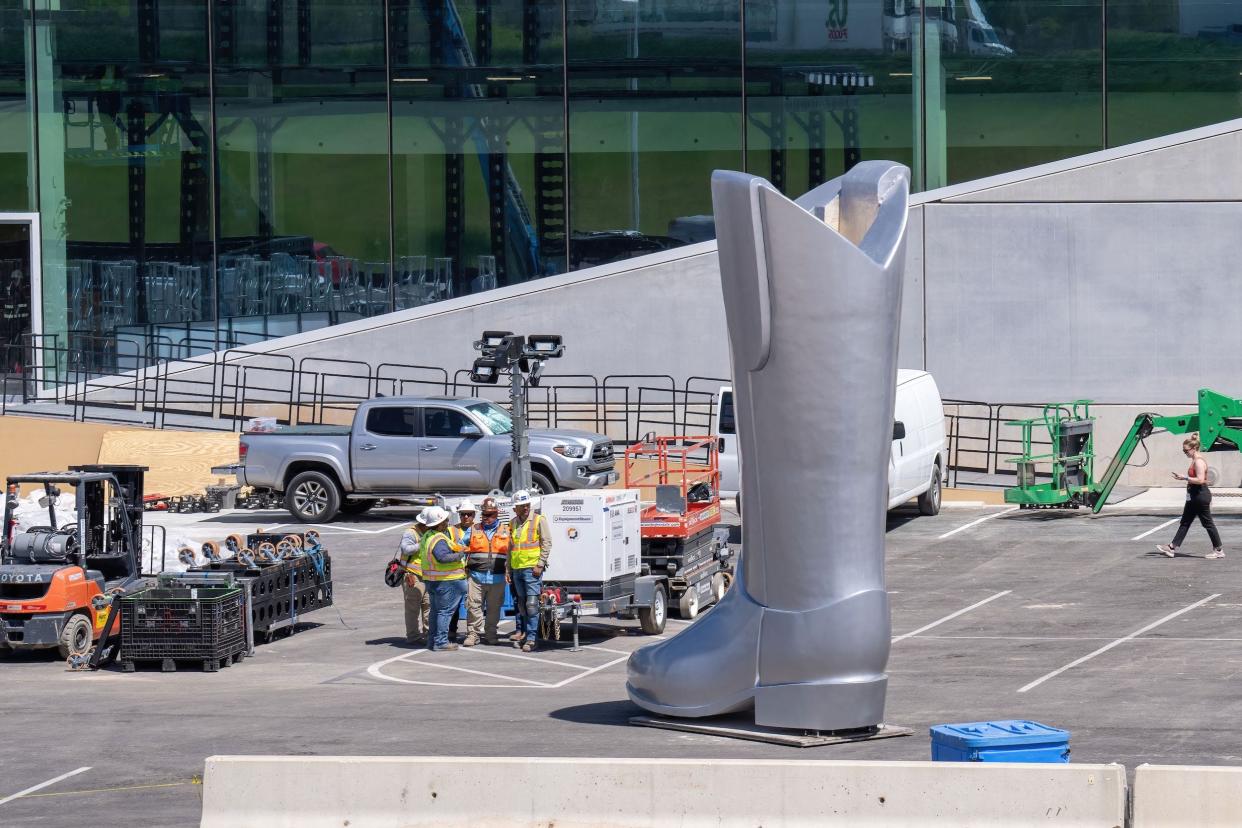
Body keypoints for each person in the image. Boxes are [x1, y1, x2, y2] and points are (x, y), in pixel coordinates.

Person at [1157, 434, 1225, 559]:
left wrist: (1185, 477)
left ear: (1194, 449)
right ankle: (1172, 547)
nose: (1185, 453)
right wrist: (1184, 479)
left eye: (1186, 450)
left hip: (1199, 495)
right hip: (1194, 495)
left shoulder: (1199, 461)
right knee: (1185, 521)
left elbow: (1200, 480)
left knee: (1207, 523)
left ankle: (1219, 550)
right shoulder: (1194, 460)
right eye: (1183, 451)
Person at [418, 505, 468, 651]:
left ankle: (433, 640)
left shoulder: (428, 536)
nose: (447, 522)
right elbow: (442, 557)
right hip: (445, 581)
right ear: (439, 523)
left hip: (433, 580)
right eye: (445, 520)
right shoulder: (439, 538)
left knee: (436, 611)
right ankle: (440, 642)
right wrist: (460, 555)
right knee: (444, 612)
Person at [462, 496, 510, 646]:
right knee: (473, 606)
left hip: (497, 577)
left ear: (497, 514)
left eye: (490, 515)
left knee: (494, 608)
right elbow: (460, 547)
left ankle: (491, 634)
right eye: (484, 515)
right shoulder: (473, 529)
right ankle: (473, 635)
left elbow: (514, 551)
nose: (486, 518)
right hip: (476, 577)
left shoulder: (506, 530)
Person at [507, 489, 551, 652]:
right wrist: (508, 568)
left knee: (531, 605)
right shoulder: (512, 523)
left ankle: (532, 638)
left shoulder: (538, 520)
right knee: (522, 605)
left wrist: (540, 564)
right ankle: (525, 634)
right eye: (521, 506)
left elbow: (547, 543)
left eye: (526, 505)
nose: (525, 508)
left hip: (532, 570)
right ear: (515, 509)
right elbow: (510, 548)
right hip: (517, 569)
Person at [446, 503, 477, 644]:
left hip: (473, 570)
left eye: (469, 514)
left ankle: (473, 632)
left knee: (473, 602)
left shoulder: (479, 529)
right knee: (454, 602)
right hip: (456, 571)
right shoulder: (451, 530)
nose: (466, 517)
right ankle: (452, 630)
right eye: (463, 514)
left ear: (474, 515)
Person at [398, 520, 430, 645]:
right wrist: (423, 544)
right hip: (412, 575)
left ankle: (429, 634)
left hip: (429, 576)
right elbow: (406, 549)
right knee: (413, 608)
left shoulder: (432, 532)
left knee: (429, 606)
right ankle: (413, 636)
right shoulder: (411, 533)